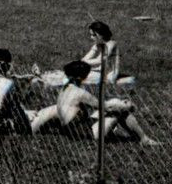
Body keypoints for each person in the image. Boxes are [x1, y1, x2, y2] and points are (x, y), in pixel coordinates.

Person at [30, 61, 159, 144]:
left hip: (72, 129)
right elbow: (105, 107)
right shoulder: (80, 93)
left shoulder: (66, 88)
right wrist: (126, 105)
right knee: (120, 110)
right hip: (87, 134)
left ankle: (139, 137)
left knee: (115, 102)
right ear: (83, 77)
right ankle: (143, 139)